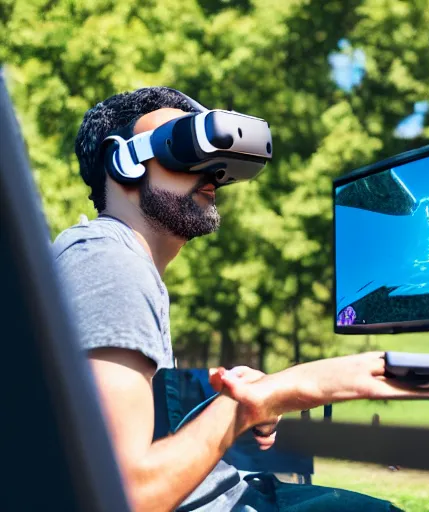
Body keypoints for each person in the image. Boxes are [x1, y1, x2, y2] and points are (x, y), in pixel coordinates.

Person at [53, 86, 409, 512]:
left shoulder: (107, 259)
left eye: (219, 164)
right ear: (123, 160)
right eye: (183, 145)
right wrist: (267, 396)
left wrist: (222, 400)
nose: (213, 173)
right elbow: (120, 494)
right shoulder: (107, 260)